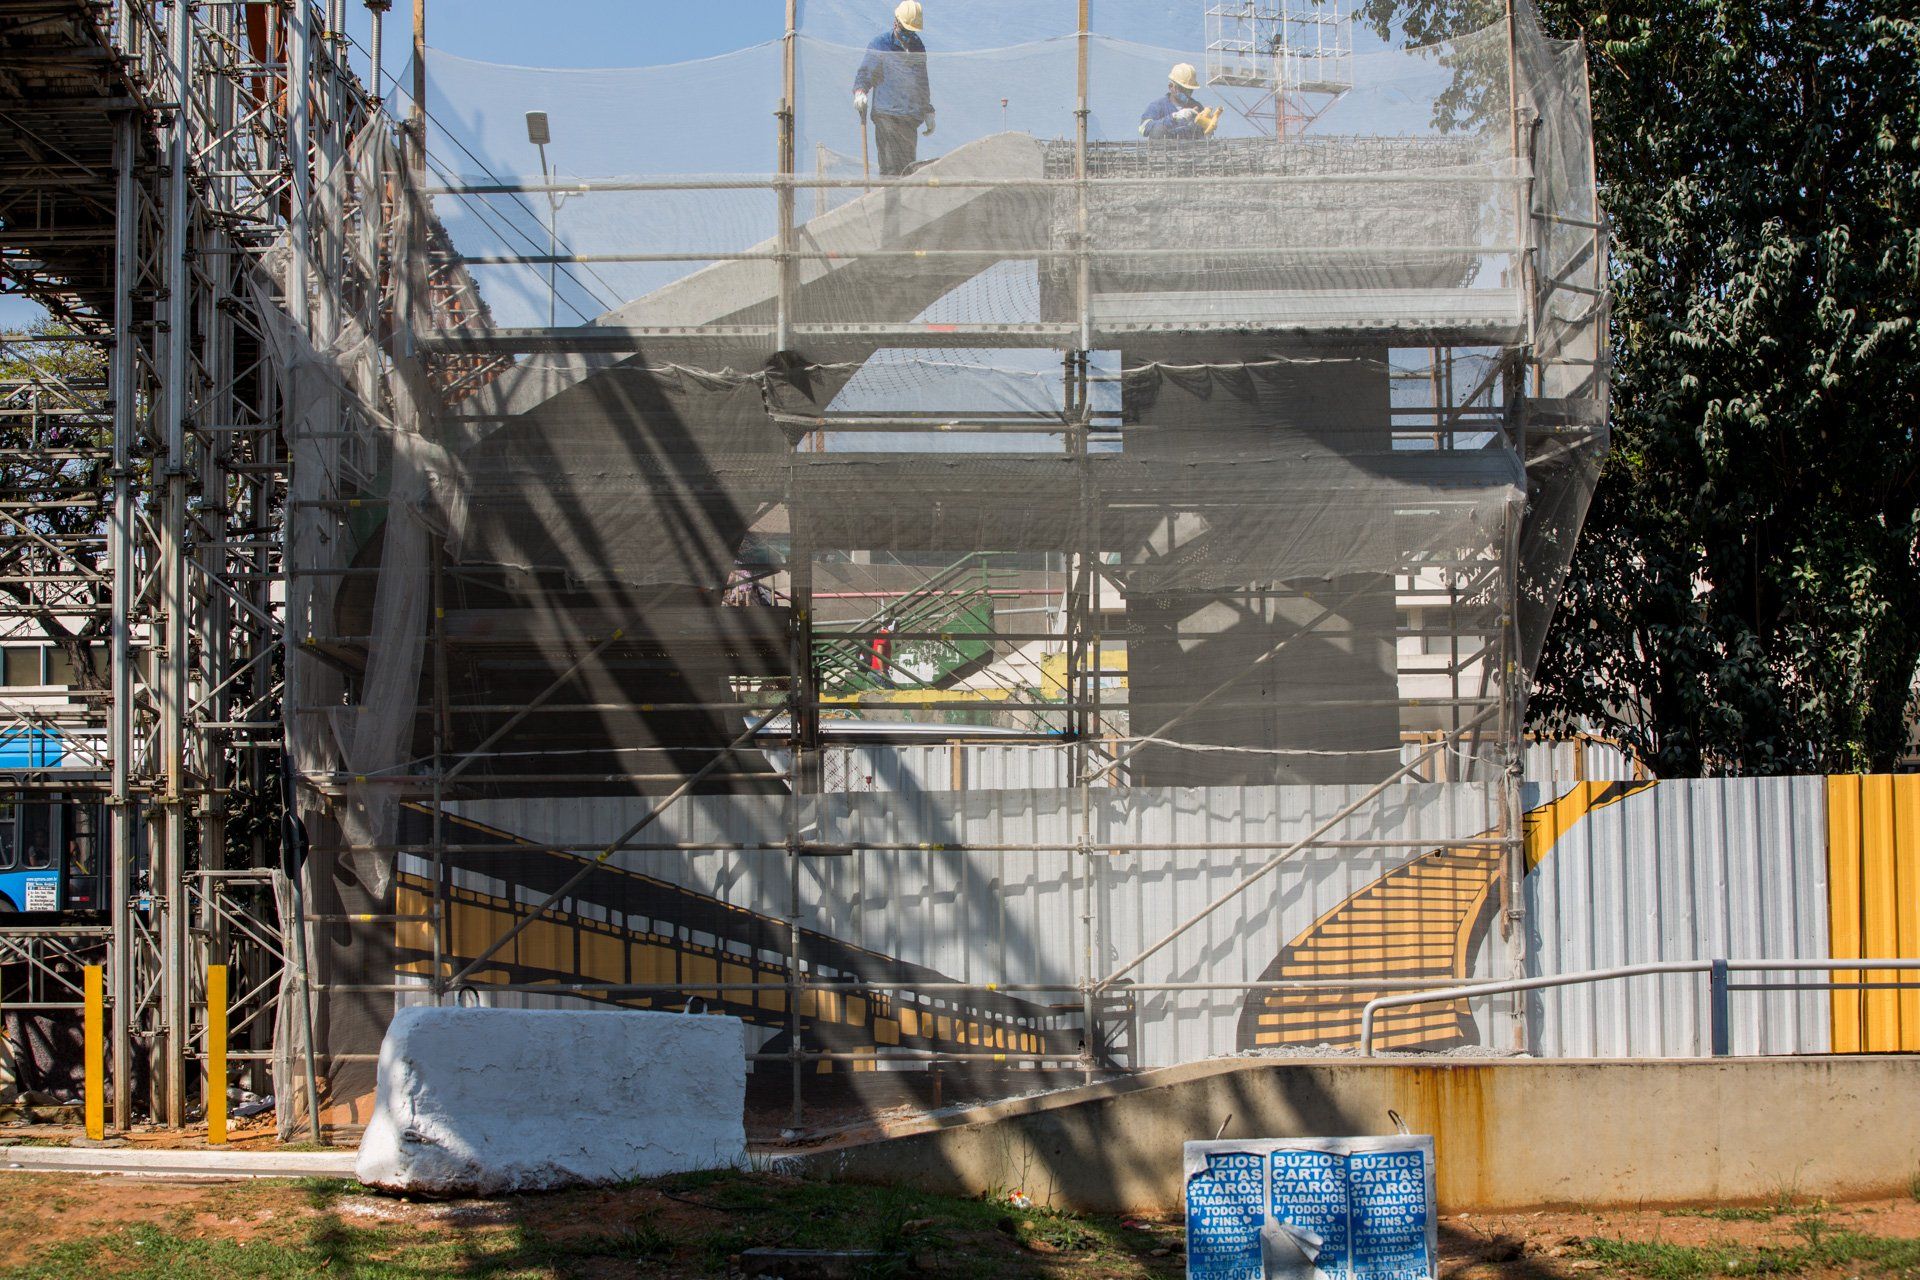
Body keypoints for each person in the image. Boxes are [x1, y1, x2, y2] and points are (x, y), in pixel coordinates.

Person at [854, 1, 935, 176]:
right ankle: (890, 203)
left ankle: (903, 203)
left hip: (910, 116)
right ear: (896, 22)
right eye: (906, 30)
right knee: (891, 168)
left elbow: (921, 80)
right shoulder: (881, 44)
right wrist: (860, 91)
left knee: (908, 170)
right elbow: (866, 72)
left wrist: (927, 109)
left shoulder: (918, 47)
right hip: (887, 115)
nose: (909, 34)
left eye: (912, 31)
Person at [1140, 62, 1213, 140]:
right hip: (1164, 150)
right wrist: (1174, 117)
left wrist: (1208, 127)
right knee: (1158, 130)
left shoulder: (1197, 107)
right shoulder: (1158, 106)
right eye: (1183, 89)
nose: (1187, 93)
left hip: (1191, 150)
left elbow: (1206, 132)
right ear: (1171, 87)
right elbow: (1144, 128)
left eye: (1190, 90)